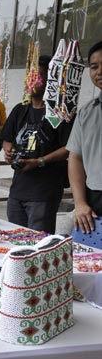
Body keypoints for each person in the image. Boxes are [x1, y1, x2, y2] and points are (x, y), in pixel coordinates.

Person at [0, 55, 73, 234]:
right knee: (15, 242)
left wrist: (39, 161)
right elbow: (7, 139)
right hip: (18, 190)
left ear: (51, 80)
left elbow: (68, 148)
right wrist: (9, 152)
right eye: (29, 77)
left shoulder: (60, 112)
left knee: (37, 245)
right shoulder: (20, 109)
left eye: (37, 77)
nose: (31, 82)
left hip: (44, 193)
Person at [67, 41, 102, 234]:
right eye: (94, 67)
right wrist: (80, 203)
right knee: (91, 262)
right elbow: (75, 157)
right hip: (94, 201)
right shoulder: (86, 113)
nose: (99, 72)